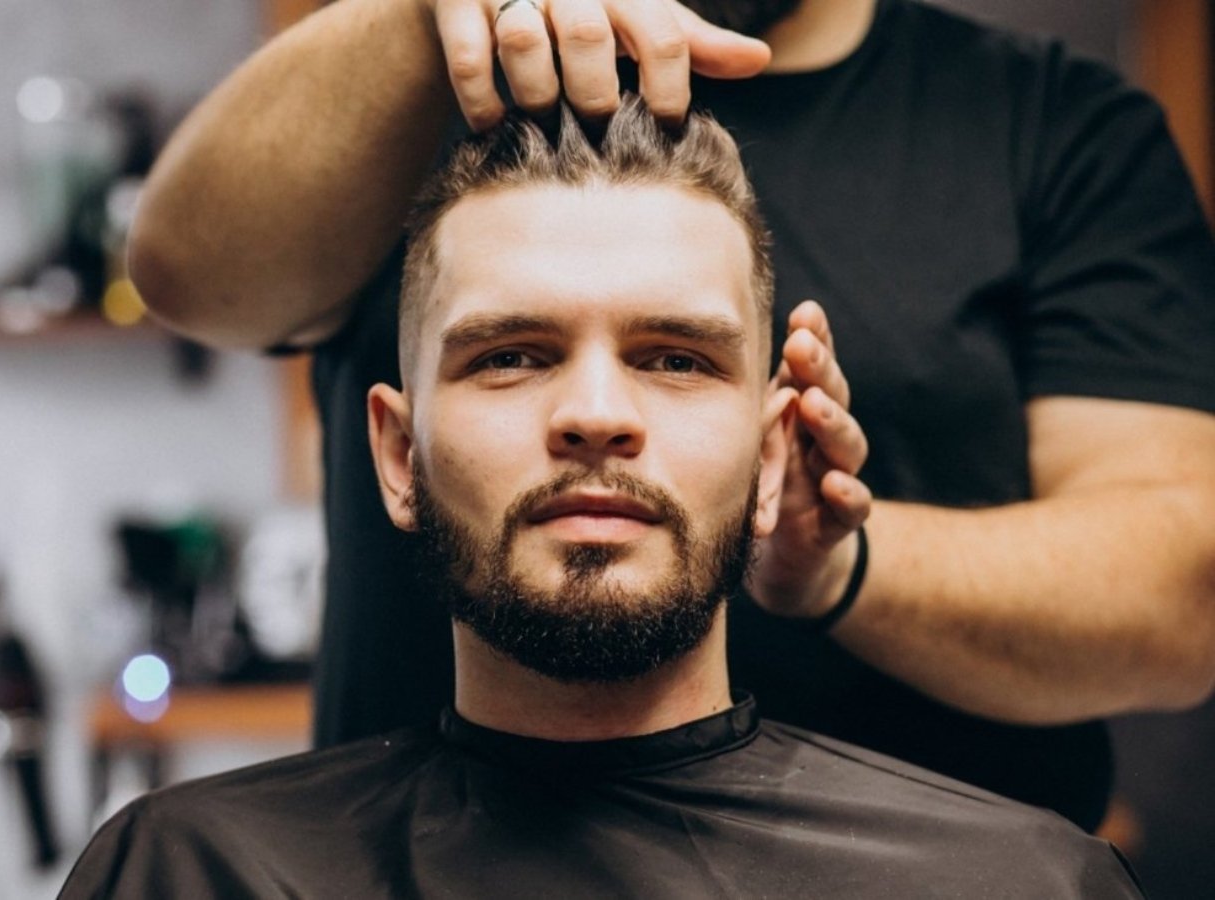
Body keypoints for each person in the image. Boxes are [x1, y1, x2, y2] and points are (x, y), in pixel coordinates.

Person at [130, 0, 1215, 831]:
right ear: (395, 444)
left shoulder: (1048, 131)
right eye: (511, 356)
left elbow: (1180, 595)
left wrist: (834, 563)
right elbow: (189, 278)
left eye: (678, 362)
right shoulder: (420, 79)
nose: (596, 412)